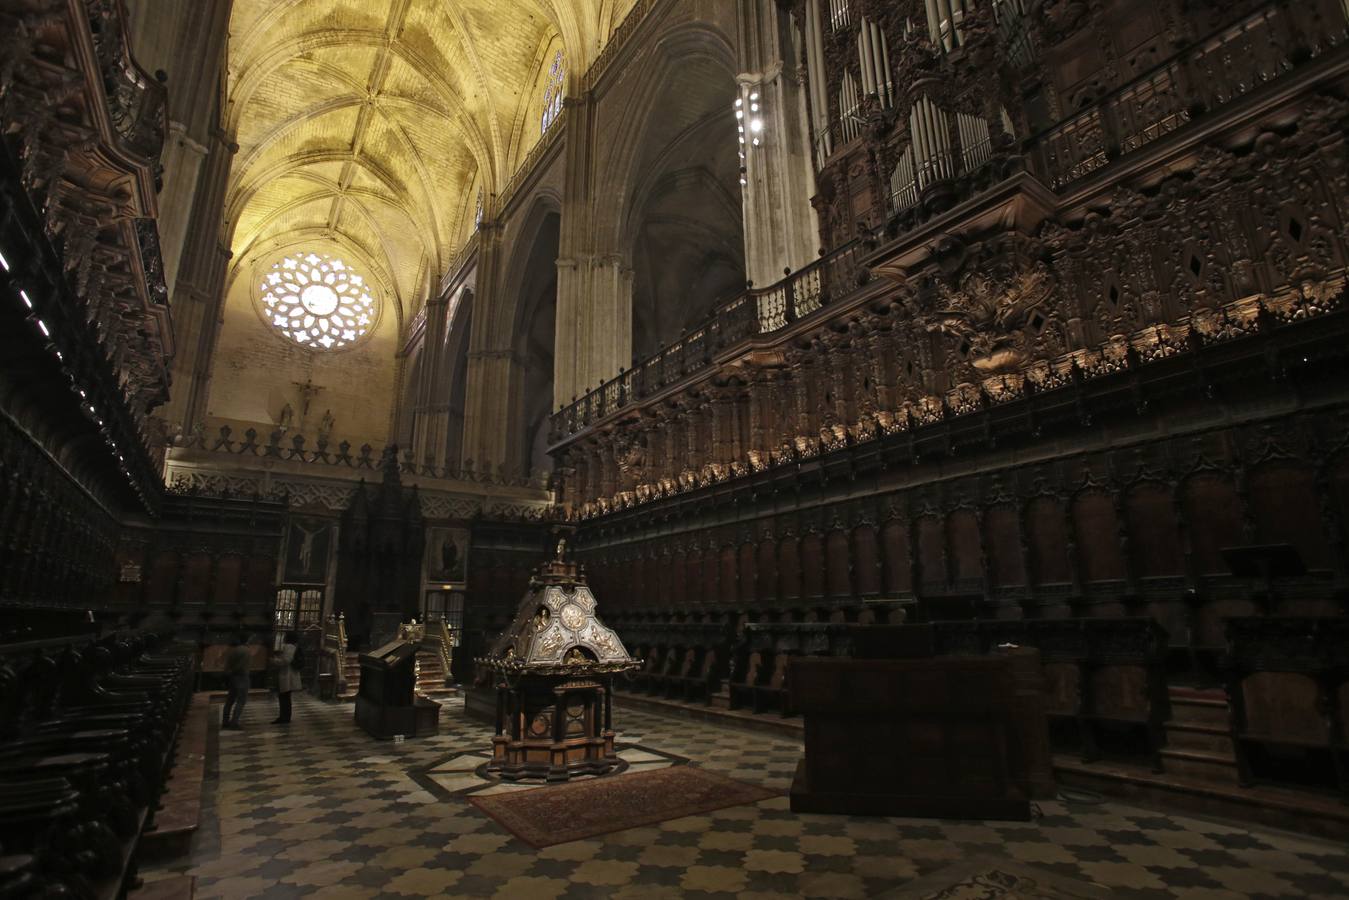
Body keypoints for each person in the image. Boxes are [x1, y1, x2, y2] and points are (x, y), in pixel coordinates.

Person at [222, 633, 251, 730]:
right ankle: (234, 722)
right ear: (247, 640)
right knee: (241, 701)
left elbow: (228, 665)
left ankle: (225, 721)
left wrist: (229, 673)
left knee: (230, 700)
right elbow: (242, 666)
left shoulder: (234, 650)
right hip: (242, 677)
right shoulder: (246, 650)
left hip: (232, 677)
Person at [271, 631, 302, 724]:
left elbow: (286, 661)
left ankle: (284, 717)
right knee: (286, 697)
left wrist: (274, 661)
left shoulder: (289, 647)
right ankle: (285, 716)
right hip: (289, 674)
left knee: (284, 697)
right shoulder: (293, 646)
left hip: (287, 675)